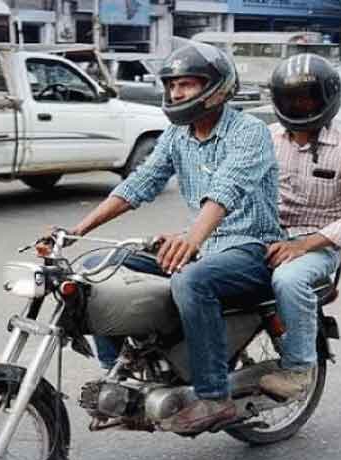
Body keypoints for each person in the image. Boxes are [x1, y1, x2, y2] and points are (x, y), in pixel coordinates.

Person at [67, 42, 284, 433]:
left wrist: (191, 240)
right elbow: (140, 183)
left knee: (191, 279)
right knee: (95, 269)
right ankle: (117, 379)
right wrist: (77, 231)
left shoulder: (248, 132)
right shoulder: (177, 135)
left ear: (217, 88)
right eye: (171, 85)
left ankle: (214, 396)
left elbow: (226, 189)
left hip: (251, 248)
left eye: (186, 84)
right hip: (202, 245)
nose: (176, 93)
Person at [258, 54, 341, 399]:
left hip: (319, 245)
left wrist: (302, 245)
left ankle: (298, 369)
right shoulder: (266, 138)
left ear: (326, 98)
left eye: (306, 98)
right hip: (266, 234)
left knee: (289, 279)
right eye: (288, 98)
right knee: (200, 273)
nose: (296, 105)